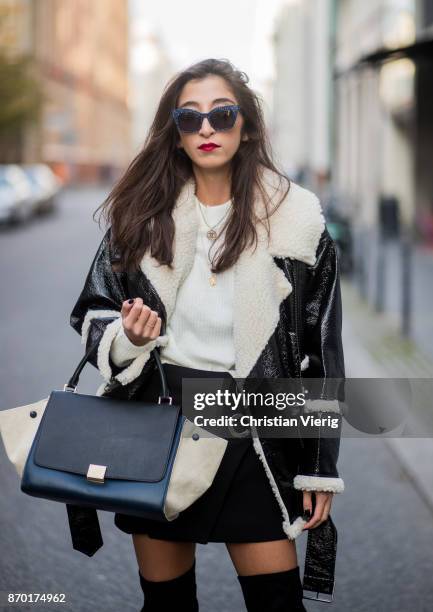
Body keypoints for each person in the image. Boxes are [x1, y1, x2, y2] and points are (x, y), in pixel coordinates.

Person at [69, 58, 345, 611]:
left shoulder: (298, 224)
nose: (207, 131)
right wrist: (129, 339)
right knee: (167, 605)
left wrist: (319, 465)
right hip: (159, 429)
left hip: (255, 435)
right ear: (174, 133)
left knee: (277, 603)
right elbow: (93, 309)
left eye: (221, 115)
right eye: (189, 119)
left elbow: (320, 354)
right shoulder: (140, 219)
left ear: (247, 126)